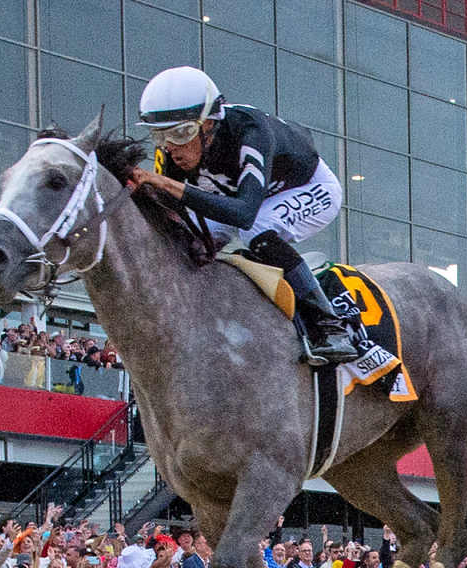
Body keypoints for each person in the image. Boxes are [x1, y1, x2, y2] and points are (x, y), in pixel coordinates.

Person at [129, 66, 357, 365]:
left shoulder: (249, 130)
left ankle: (330, 327)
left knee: (256, 231)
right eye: (160, 136)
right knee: (191, 246)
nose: (171, 147)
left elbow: (244, 214)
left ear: (209, 125)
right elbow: (172, 215)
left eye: (181, 133)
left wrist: (166, 184)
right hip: (243, 197)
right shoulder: (173, 152)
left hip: (309, 188)